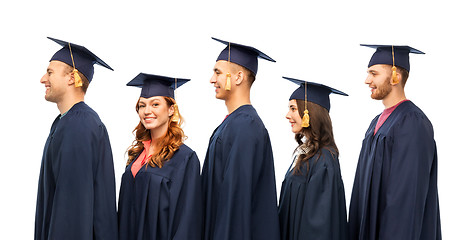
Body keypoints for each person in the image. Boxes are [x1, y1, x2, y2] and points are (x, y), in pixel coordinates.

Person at [348, 45, 442, 239]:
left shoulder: (412, 123)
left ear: (394, 77)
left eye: (373, 73)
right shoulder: (376, 123)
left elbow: (407, 201)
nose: (367, 80)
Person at [35, 37, 118, 240]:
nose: (43, 79)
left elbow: (72, 212)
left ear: (71, 78)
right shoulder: (67, 121)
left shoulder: (78, 126)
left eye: (50, 72)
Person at [201, 37, 280, 240]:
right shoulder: (234, 124)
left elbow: (235, 203)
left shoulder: (245, 126)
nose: (211, 79)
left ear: (237, 77)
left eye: (217, 72)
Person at [118, 73, 202, 240]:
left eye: (155, 104)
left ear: (171, 109)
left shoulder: (184, 158)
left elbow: (187, 221)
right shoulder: (137, 155)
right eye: (142, 105)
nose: (147, 111)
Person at [278, 77, 348, 240]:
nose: (287, 115)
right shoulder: (308, 154)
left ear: (309, 112)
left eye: (293, 108)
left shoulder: (323, 161)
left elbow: (318, 228)